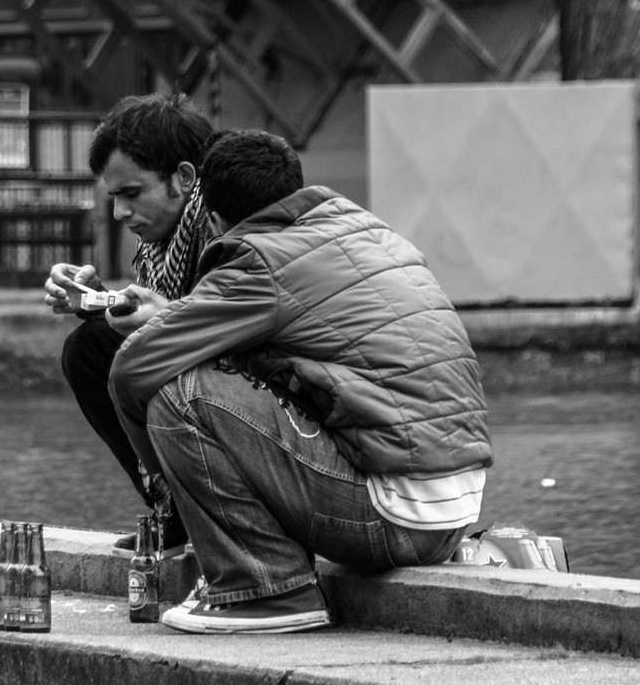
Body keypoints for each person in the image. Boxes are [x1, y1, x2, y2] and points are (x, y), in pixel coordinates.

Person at [107, 129, 492, 634]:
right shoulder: (368, 233)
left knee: (179, 394)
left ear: (215, 220)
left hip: (395, 521)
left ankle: (266, 587)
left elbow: (131, 369)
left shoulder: (253, 258)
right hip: (455, 510)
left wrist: (169, 486)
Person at [42, 92, 216, 557]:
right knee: (91, 347)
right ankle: (176, 508)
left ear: (182, 178)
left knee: (108, 351)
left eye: (132, 194)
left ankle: (211, 512)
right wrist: (96, 300)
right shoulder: (168, 240)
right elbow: (172, 311)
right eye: (114, 197)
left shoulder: (221, 226)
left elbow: (228, 329)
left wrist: (146, 321)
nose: (120, 214)